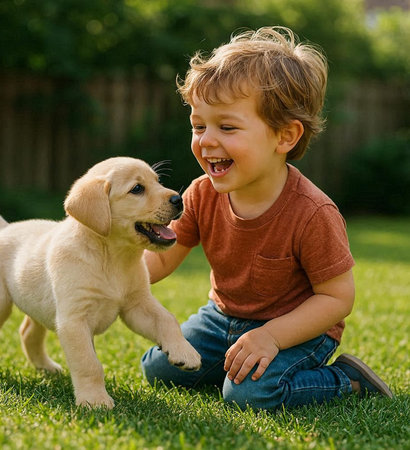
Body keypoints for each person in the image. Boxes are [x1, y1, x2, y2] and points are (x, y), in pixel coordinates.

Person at [141, 26, 393, 410]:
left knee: (250, 394)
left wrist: (272, 337)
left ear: (285, 137)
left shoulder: (312, 213)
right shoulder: (200, 194)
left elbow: (337, 298)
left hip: (297, 330)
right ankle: (231, 366)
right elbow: (159, 258)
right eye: (198, 125)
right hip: (221, 318)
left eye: (226, 126)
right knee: (160, 368)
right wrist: (108, 274)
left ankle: (348, 380)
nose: (206, 140)